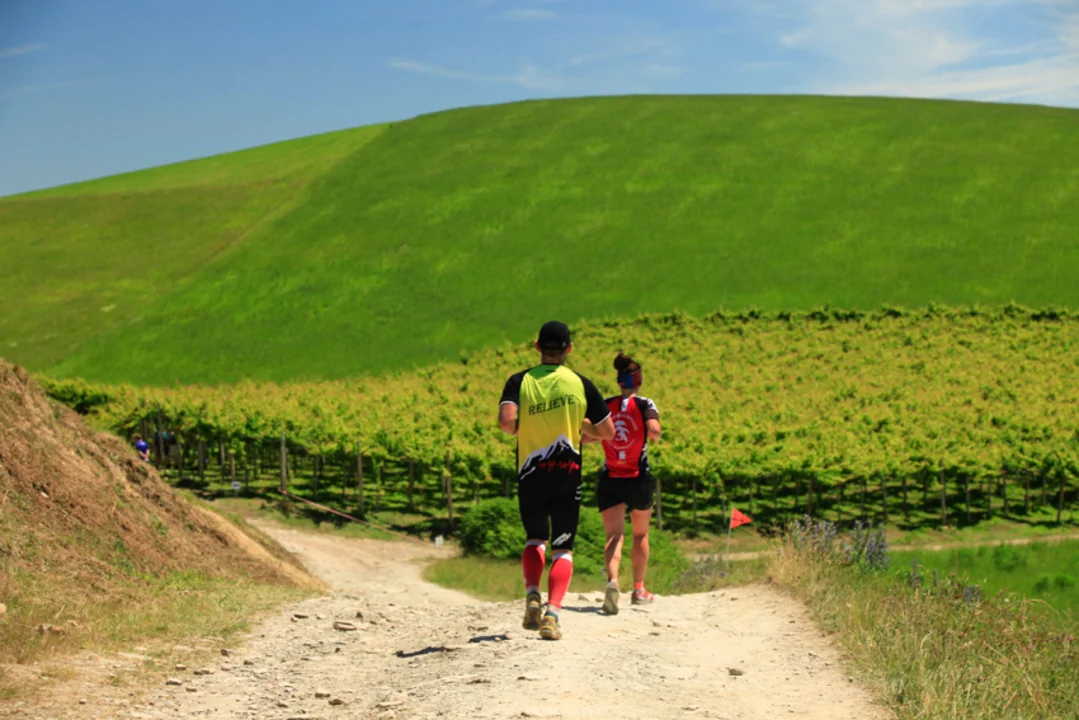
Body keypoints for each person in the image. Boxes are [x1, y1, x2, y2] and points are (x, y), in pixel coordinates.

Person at [499, 321, 615, 641]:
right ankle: (552, 614)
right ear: (569, 349)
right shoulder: (581, 383)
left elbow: (506, 423)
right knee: (563, 547)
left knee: (535, 539)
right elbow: (608, 432)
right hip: (567, 474)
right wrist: (583, 431)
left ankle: (532, 593)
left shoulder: (519, 381)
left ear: (538, 347)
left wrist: (527, 428)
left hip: (530, 473)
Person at [588, 352, 662, 615]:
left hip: (610, 478)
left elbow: (587, 436)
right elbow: (654, 431)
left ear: (619, 382)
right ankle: (639, 589)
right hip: (638, 478)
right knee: (640, 534)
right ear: (639, 381)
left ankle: (612, 582)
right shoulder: (644, 404)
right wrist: (649, 431)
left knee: (614, 536)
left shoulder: (606, 405)